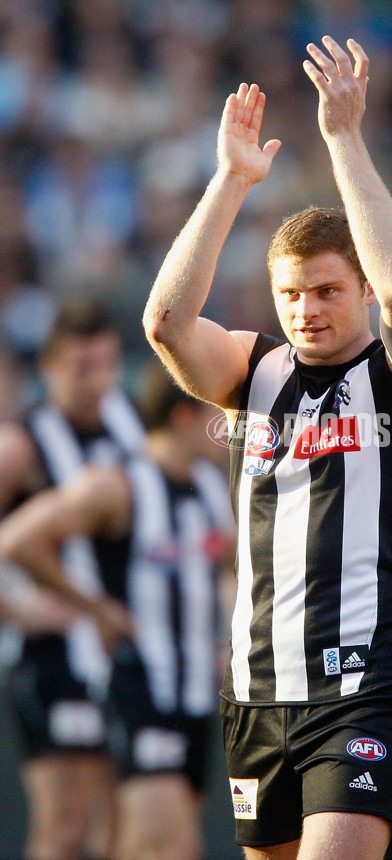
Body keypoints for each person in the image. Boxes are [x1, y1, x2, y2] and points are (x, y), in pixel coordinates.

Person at [142, 34, 392, 860]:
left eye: (326, 291)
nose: (306, 309)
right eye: (291, 293)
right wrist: (230, 181)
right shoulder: (256, 371)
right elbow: (168, 325)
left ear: (355, 291)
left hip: (364, 688)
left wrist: (344, 138)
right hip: (255, 691)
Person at [0, 362, 235, 860]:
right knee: (171, 845)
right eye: (217, 415)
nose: (228, 430)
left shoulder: (214, 488)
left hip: (195, 697)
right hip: (137, 686)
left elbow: (228, 570)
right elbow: (18, 539)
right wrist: (94, 607)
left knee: (126, 843)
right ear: (183, 417)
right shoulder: (119, 485)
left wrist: (230, 639)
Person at [0, 298, 145, 860]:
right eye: (81, 368)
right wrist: (16, 609)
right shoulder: (22, 445)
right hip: (54, 656)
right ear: (50, 368)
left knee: (120, 829)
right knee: (64, 825)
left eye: (107, 365)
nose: (97, 382)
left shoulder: (135, 428)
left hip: (127, 652)